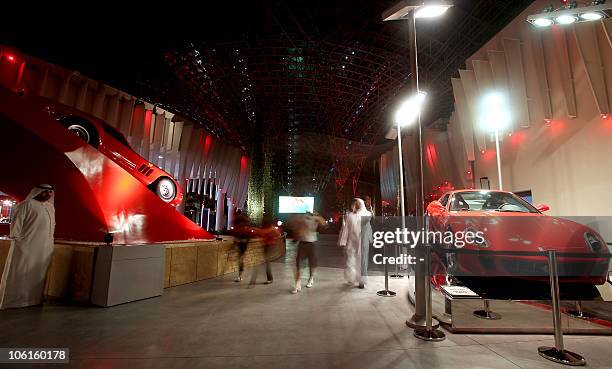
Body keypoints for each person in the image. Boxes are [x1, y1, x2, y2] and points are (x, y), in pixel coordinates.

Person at [0, 184, 55, 309]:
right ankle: (12, 301)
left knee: (37, 273)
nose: (48, 194)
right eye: (45, 191)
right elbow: (16, 224)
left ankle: (32, 300)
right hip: (25, 245)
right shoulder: (26, 204)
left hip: (43, 247)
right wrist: (18, 241)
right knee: (19, 271)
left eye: (50, 192)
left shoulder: (50, 207)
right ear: (38, 192)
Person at [338, 198, 372, 288]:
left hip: (362, 241)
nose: (353, 206)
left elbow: (367, 225)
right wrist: (343, 241)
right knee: (350, 260)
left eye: (355, 204)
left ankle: (361, 281)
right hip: (352, 241)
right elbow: (346, 229)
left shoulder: (366, 214)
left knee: (362, 261)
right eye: (353, 204)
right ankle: (351, 278)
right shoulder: (349, 215)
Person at [291, 211, 325, 294]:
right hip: (302, 243)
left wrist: (316, 217)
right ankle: (297, 284)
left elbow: (323, 223)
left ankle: (311, 278)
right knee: (299, 264)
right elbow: (295, 226)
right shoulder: (301, 219)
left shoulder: (315, 219)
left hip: (312, 243)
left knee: (312, 264)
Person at [251, 215, 280, 285]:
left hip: (270, 246)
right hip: (265, 246)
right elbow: (261, 233)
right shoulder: (267, 228)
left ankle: (270, 278)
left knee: (267, 262)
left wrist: (257, 230)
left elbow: (277, 234)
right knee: (265, 262)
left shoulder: (271, 228)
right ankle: (269, 278)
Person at [230, 209, 252, 282]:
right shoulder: (245, 221)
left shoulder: (237, 221)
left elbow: (235, 233)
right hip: (243, 242)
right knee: (240, 259)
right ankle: (240, 275)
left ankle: (240, 275)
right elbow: (248, 233)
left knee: (240, 259)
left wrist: (235, 243)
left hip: (240, 242)